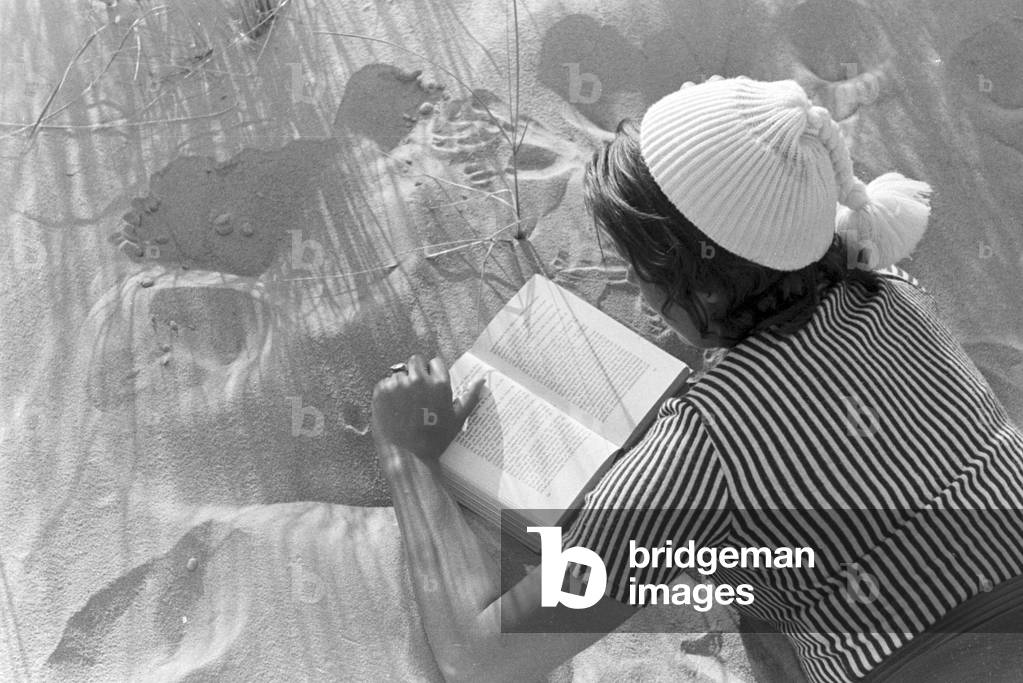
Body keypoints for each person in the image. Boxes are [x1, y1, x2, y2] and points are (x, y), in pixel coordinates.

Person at [370, 76, 1023, 682]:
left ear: (700, 292)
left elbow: (476, 658)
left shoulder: (705, 446)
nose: (633, 285)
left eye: (637, 271)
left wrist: (407, 454)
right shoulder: (895, 291)